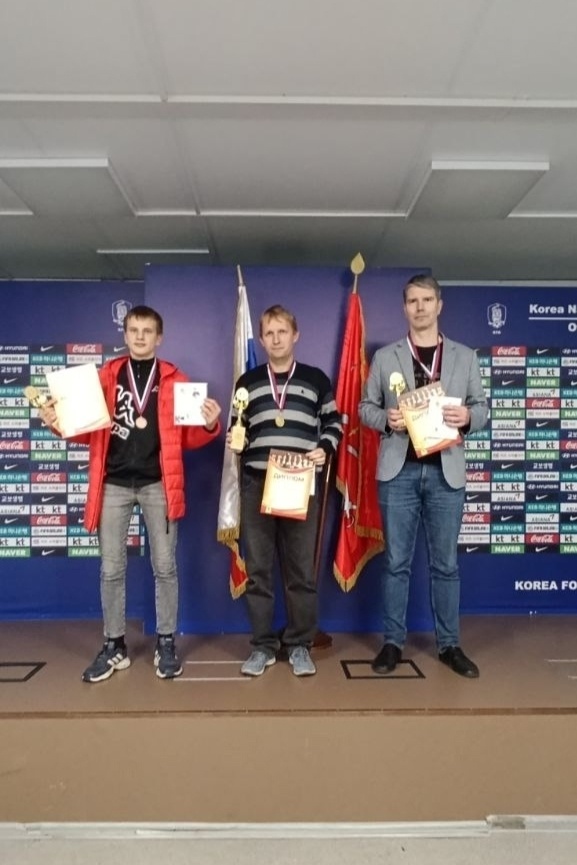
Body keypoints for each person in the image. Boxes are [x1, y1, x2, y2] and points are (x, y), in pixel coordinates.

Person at [38, 305, 221, 683]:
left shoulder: (175, 379)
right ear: (124, 335)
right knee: (111, 568)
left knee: (165, 567)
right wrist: (58, 423)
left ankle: (166, 641)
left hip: (158, 484)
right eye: (134, 330)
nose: (140, 336)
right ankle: (114, 644)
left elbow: (188, 437)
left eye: (147, 331)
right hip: (114, 483)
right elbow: (84, 428)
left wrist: (210, 423)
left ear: (159, 337)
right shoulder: (105, 377)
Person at [359, 275, 488, 678]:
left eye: (427, 300)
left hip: (446, 472)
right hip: (398, 472)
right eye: (413, 301)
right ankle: (392, 643)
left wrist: (467, 417)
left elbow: (482, 409)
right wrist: (386, 419)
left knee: (446, 565)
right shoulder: (386, 357)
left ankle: (449, 645)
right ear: (404, 308)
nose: (420, 307)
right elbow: (365, 408)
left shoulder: (464, 356)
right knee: (396, 562)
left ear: (439, 305)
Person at [228, 304, 342, 678]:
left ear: (295, 335)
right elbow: (238, 426)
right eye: (269, 333)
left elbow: (335, 423)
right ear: (261, 340)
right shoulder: (247, 382)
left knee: (300, 571)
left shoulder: (315, 379)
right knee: (258, 570)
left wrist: (324, 447)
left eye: (282, 332)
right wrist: (236, 439)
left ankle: (299, 645)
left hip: (299, 482)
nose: (276, 339)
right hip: (257, 483)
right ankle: (262, 646)